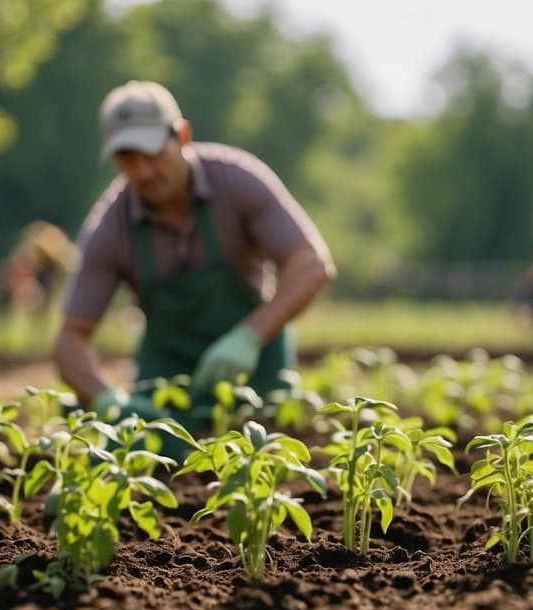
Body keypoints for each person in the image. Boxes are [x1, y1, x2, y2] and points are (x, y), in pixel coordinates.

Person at [54, 80, 335, 431]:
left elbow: (312, 264)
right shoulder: (111, 228)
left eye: (152, 153)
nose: (143, 172)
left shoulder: (237, 181)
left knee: (267, 447)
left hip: (254, 361)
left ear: (182, 135)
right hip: (168, 375)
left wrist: (249, 336)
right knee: (158, 454)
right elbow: (70, 338)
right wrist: (104, 398)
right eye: (127, 158)